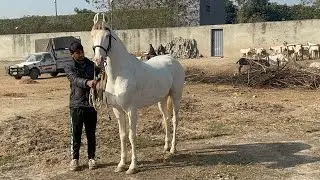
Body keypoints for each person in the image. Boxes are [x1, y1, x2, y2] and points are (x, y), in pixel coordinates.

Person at [64, 41, 100, 171]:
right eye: (77, 53)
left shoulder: (91, 64)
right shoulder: (69, 66)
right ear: (72, 54)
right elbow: (74, 80)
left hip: (91, 104)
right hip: (76, 104)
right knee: (76, 133)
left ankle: (91, 158)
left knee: (91, 133)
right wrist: (88, 82)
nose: (81, 55)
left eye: (82, 52)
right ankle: (75, 159)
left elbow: (100, 73)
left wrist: (100, 79)